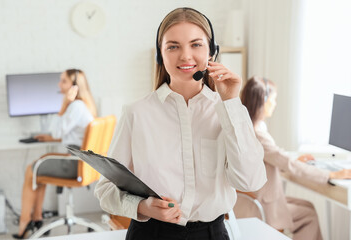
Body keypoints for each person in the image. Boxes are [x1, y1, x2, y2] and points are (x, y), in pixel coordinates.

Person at [94, 7, 267, 240]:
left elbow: (250, 180)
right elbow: (105, 190)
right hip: (151, 233)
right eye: (173, 46)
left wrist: (231, 103)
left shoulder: (227, 110)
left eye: (196, 44)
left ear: (211, 52)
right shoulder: (136, 113)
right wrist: (143, 207)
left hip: (211, 234)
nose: (185, 56)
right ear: (160, 55)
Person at [235, 76, 351, 240]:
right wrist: (330, 175)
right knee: (308, 215)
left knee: (307, 206)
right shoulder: (258, 135)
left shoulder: (251, 127)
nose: (275, 104)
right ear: (263, 101)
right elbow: (287, 163)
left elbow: (275, 156)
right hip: (259, 205)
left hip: (251, 199)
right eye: (273, 100)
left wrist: (294, 160)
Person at [13, 69, 97, 239]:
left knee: (32, 169)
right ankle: (36, 217)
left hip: (75, 164)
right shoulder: (84, 105)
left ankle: (24, 222)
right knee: (41, 163)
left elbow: (58, 132)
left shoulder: (75, 106)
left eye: (63, 81)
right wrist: (50, 138)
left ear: (74, 87)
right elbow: (71, 134)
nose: (59, 85)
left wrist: (64, 104)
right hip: (82, 161)